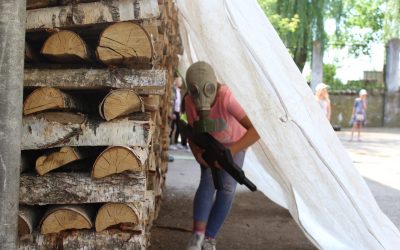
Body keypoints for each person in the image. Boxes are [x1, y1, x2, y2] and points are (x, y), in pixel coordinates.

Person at [184, 61, 260, 250]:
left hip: (235, 145)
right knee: (207, 184)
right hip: (209, 146)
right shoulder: (188, 100)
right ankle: (197, 237)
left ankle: (209, 238)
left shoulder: (226, 97)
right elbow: (193, 134)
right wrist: (198, 154)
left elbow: (255, 130)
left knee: (226, 190)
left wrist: (230, 152)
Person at [169, 75, 185, 150]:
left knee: (179, 128)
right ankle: (169, 143)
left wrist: (180, 111)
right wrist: (172, 113)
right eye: (180, 81)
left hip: (178, 112)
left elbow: (179, 102)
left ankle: (175, 143)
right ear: (176, 81)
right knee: (171, 127)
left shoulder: (179, 91)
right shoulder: (173, 90)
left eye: (181, 81)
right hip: (173, 111)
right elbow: (172, 102)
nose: (181, 82)